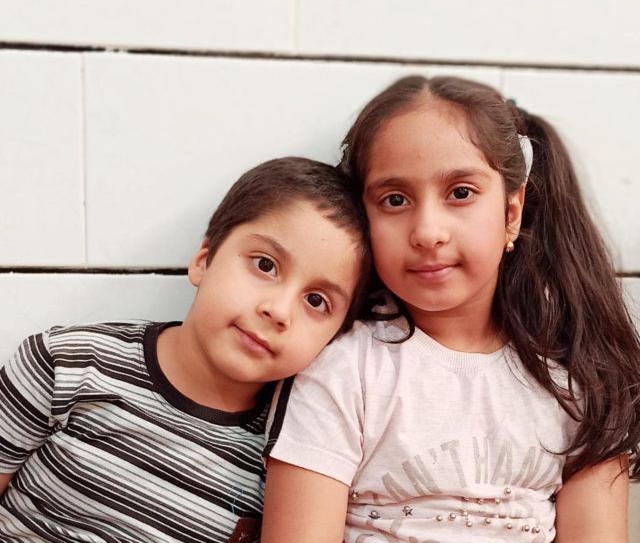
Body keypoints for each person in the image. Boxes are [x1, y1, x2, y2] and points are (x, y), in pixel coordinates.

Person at [262, 76, 640, 542]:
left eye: (460, 192)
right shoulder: (342, 369)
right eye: (395, 200)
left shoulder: (579, 379)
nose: (427, 232)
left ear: (511, 213)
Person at [0, 156, 371, 543]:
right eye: (265, 265)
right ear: (204, 261)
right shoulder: (65, 364)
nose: (278, 311)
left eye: (316, 301)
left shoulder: (291, 458)